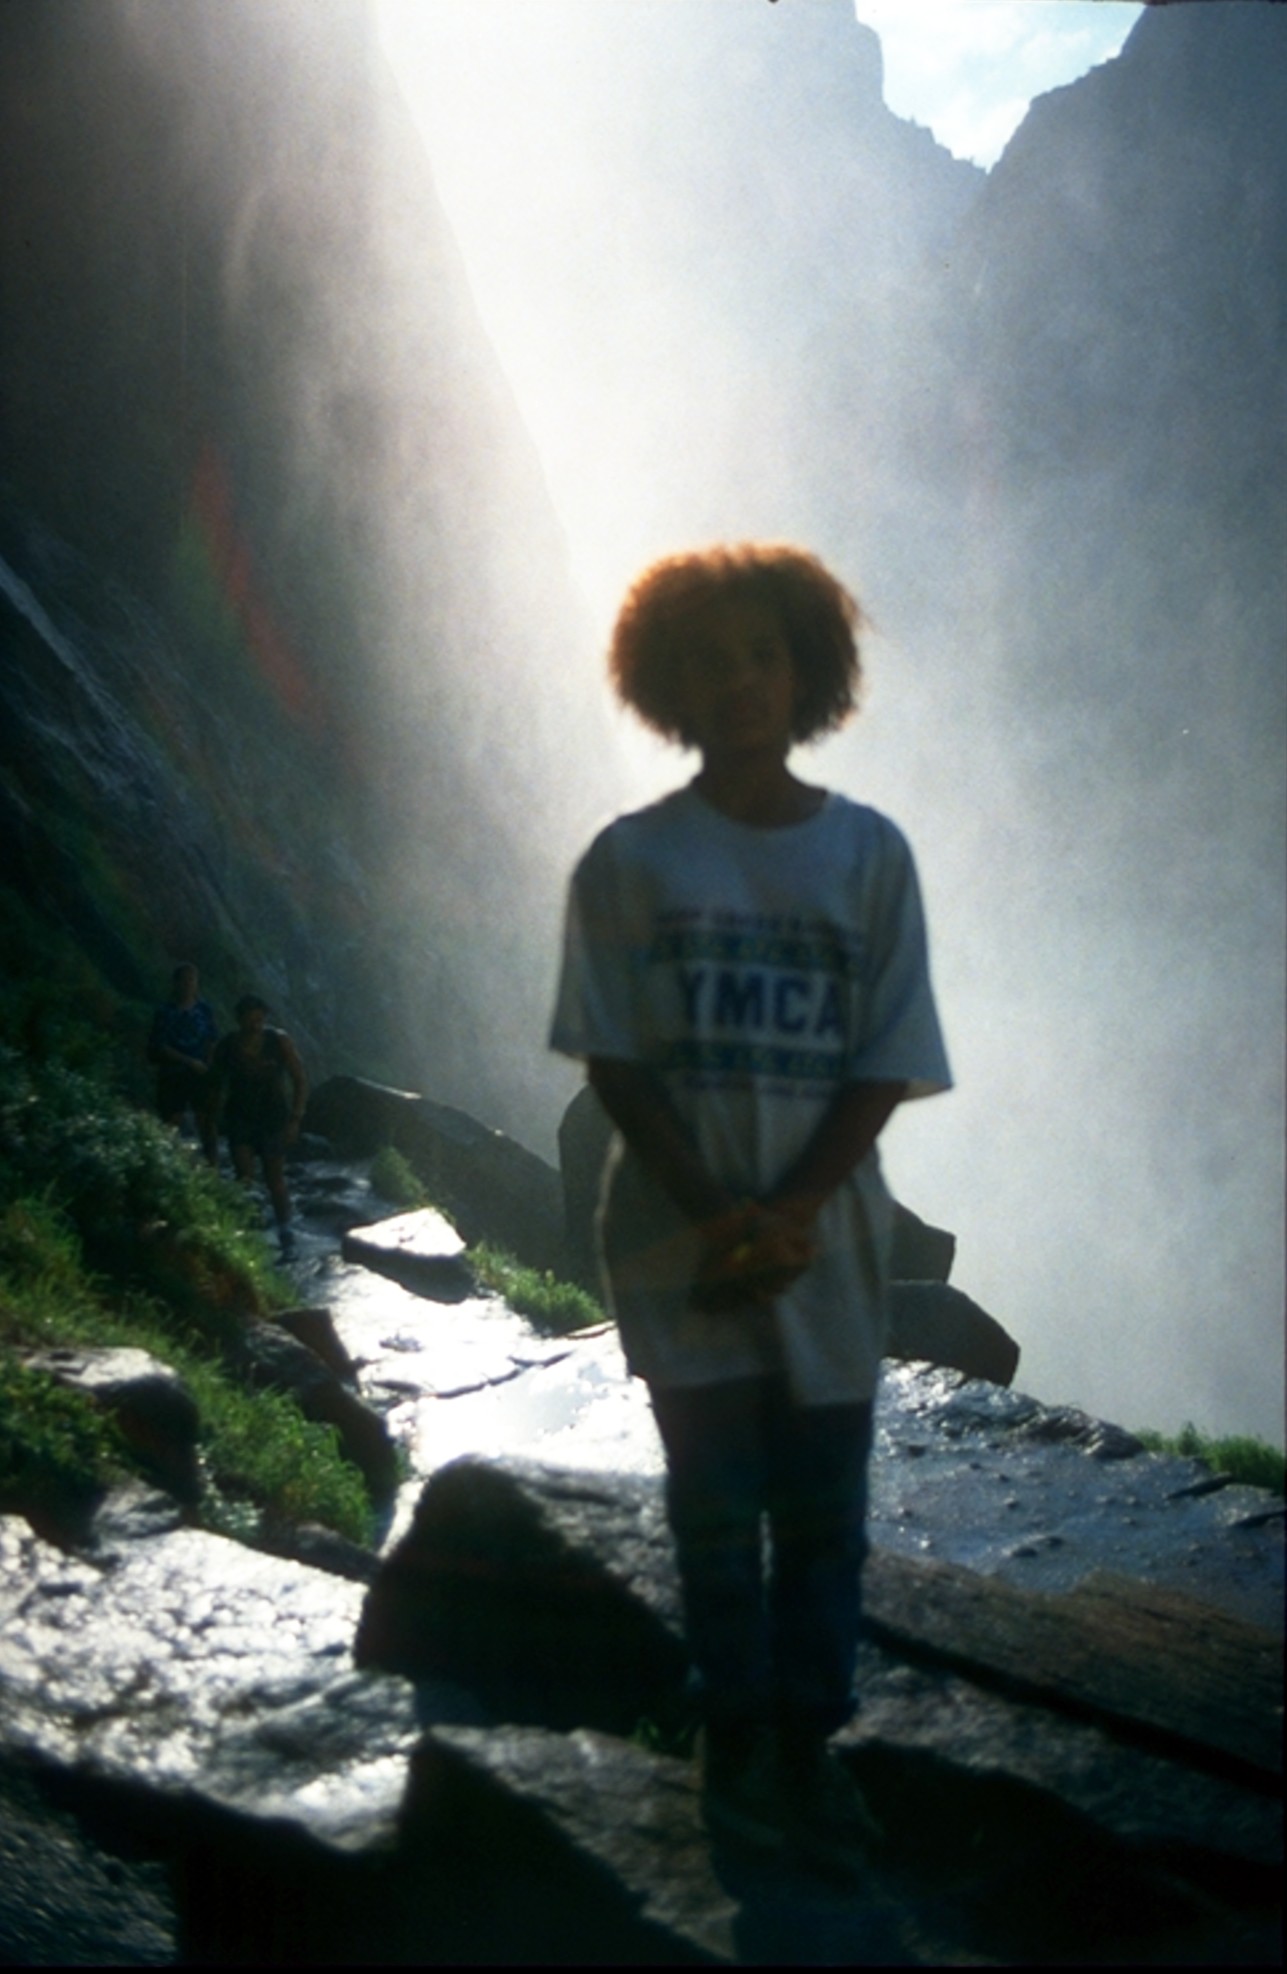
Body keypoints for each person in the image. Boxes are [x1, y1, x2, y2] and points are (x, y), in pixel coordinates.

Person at [549, 543, 951, 1877]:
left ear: (805, 669)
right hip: (675, 1233)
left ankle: (806, 1743)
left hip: (822, 1236)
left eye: (760, 651)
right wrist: (722, 1213)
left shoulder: (867, 855)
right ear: (668, 679)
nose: (737, 678)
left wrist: (783, 1211)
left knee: (822, 1510)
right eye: (709, 657)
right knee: (714, 1501)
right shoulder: (628, 859)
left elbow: (884, 1058)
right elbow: (612, 1058)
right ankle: (737, 1736)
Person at [211, 995, 308, 1257]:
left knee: (274, 1178)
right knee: (243, 1177)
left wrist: (295, 1119)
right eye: (250, 1019)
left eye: (260, 1019)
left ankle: (286, 1234)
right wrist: (213, 1117)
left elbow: (299, 1078)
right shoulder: (228, 1046)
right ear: (239, 1020)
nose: (256, 1024)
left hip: (273, 1118)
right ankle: (245, 1234)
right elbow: (215, 1084)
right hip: (239, 1117)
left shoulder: (278, 1042)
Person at [147, 962, 219, 1164]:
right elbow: (160, 1045)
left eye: (192, 980)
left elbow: (213, 1039)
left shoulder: (205, 1010)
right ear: (176, 983)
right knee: (171, 1120)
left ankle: (213, 1169)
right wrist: (189, 1061)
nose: (188, 984)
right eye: (184, 980)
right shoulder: (165, 1011)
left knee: (206, 1121)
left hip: (201, 1073)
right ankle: (169, 1165)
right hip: (173, 1072)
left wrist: (210, 1068)